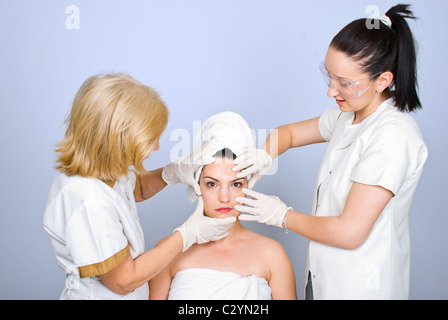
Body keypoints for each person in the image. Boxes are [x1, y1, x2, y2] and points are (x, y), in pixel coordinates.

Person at [234, 4, 428, 299]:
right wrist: (265, 155)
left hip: (360, 286)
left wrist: (281, 215)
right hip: (322, 276)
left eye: (345, 83)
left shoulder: (392, 136)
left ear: (383, 81)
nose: (331, 91)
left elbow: (349, 233)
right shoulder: (348, 116)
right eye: (329, 76)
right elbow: (285, 134)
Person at [43, 73, 235, 299]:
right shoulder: (88, 200)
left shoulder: (105, 169)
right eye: (150, 139)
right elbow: (124, 281)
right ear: (119, 139)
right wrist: (188, 234)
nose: (156, 147)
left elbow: (137, 189)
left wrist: (171, 172)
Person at [149, 112, 297, 300]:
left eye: (236, 184)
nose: (224, 197)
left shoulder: (272, 255)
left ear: (248, 186)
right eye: (212, 184)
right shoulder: (168, 251)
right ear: (197, 185)